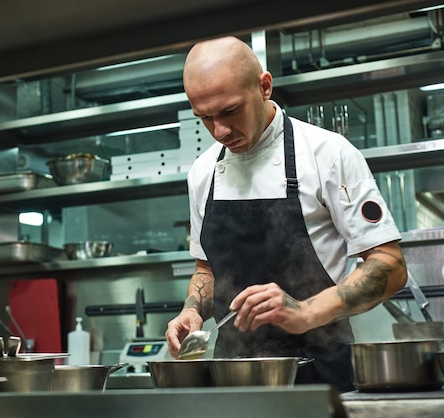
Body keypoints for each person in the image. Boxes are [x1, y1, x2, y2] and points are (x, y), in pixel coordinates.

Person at [165, 36, 407, 392]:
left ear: (264, 87)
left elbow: (390, 265)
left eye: (230, 111)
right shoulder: (203, 172)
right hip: (234, 379)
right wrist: (193, 311)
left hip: (321, 373)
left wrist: (306, 312)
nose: (220, 131)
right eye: (204, 118)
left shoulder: (327, 154)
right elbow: (207, 268)